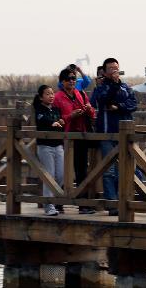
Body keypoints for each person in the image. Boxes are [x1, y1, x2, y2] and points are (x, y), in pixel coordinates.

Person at [89, 57, 137, 215]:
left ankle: (122, 200)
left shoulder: (125, 86)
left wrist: (119, 107)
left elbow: (133, 104)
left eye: (116, 67)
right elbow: (101, 101)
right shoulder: (102, 87)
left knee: (125, 169)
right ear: (105, 71)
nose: (114, 70)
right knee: (109, 171)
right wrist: (112, 87)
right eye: (110, 68)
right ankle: (112, 204)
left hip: (124, 134)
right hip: (107, 132)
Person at [53, 68, 96, 214]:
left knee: (81, 170)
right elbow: (55, 120)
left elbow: (92, 113)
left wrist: (88, 109)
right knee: (62, 171)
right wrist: (70, 116)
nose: (72, 81)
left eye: (74, 78)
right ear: (62, 82)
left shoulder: (80, 93)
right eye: (69, 79)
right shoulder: (58, 97)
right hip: (64, 138)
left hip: (81, 136)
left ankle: (82, 204)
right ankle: (58, 202)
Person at [33, 84, 66, 216]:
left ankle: (55, 200)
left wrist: (60, 123)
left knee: (61, 175)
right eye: (47, 94)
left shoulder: (56, 110)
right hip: (45, 146)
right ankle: (49, 205)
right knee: (49, 175)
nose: (51, 96)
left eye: (52, 93)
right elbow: (42, 121)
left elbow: (60, 124)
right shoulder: (39, 109)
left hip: (58, 145)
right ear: (41, 97)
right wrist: (52, 123)